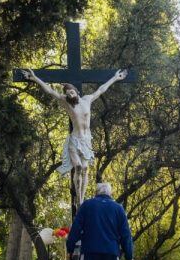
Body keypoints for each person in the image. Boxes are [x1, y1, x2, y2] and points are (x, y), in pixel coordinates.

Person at [22, 68, 127, 206]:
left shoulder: (87, 99)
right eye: (67, 94)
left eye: (71, 92)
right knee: (78, 167)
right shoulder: (67, 103)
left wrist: (115, 78)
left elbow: (101, 90)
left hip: (86, 141)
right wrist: (34, 78)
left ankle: (81, 199)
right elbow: (50, 91)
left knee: (85, 169)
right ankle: (79, 199)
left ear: (76, 91)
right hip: (74, 140)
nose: (70, 95)